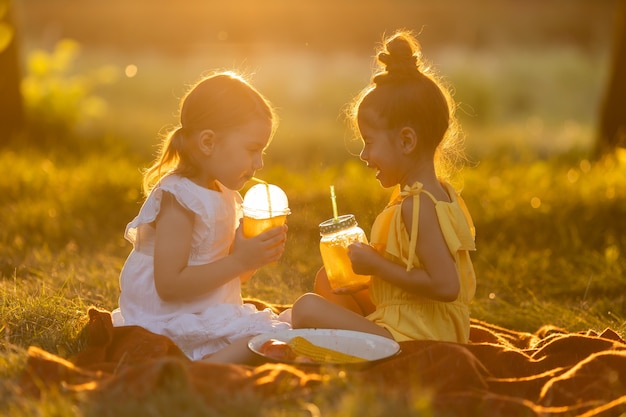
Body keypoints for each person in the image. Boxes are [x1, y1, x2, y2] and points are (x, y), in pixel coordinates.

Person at [291, 30, 477, 344]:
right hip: (417, 321)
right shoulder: (438, 193)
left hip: (420, 336)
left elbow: (446, 286)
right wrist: (371, 268)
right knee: (329, 281)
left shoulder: (417, 205)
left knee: (306, 308)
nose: (363, 155)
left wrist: (377, 265)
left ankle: (377, 348)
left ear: (406, 140)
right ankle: (364, 337)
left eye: (370, 143)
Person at [111, 71, 290, 363]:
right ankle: (203, 367)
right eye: (252, 150)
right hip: (169, 319)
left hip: (204, 309)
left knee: (277, 334)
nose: (259, 163)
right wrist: (240, 260)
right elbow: (169, 286)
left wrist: (252, 258)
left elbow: (227, 276)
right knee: (259, 342)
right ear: (208, 142)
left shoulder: (225, 192)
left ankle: (220, 357)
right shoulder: (181, 198)